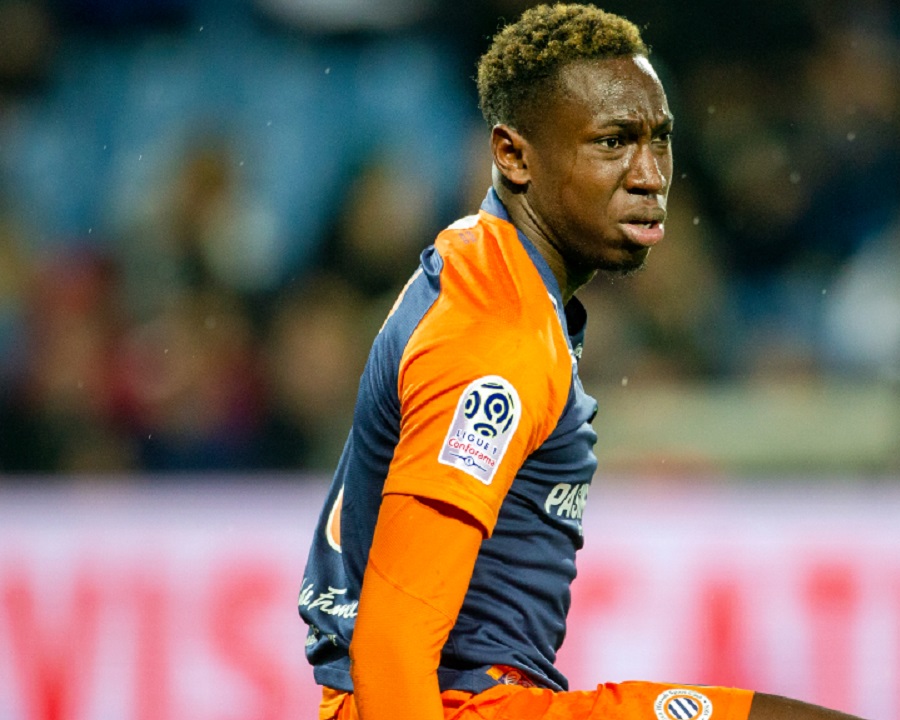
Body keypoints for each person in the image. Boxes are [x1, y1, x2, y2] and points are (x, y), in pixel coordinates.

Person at [297, 5, 867, 719]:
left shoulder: (492, 269)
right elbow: (392, 644)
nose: (650, 175)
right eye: (613, 142)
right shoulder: (496, 339)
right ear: (514, 156)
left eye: (660, 140)